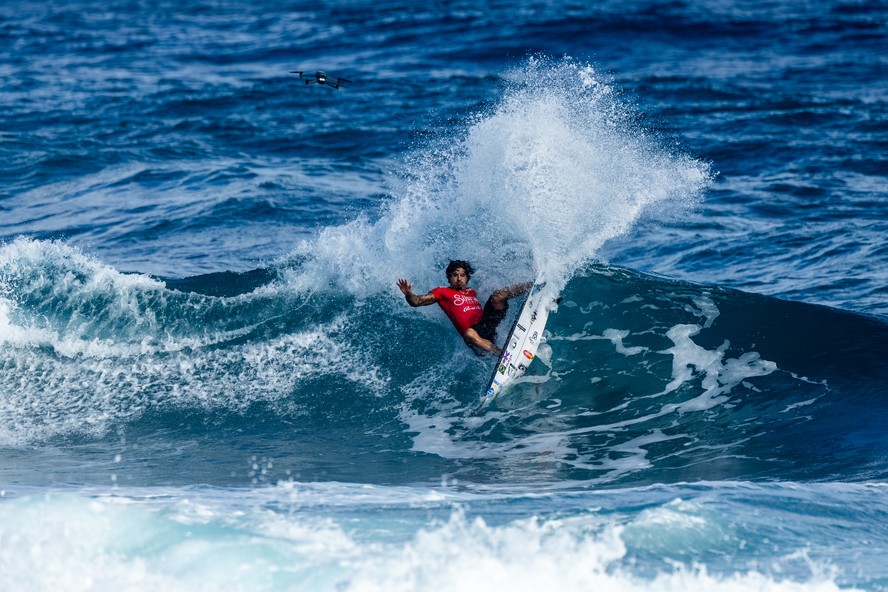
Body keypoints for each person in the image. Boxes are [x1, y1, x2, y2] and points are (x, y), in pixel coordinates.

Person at [397, 260, 531, 356]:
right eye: (455, 275)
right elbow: (418, 301)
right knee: (469, 333)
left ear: (467, 278)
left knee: (497, 296)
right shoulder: (442, 292)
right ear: (449, 278)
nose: (459, 278)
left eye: (462, 275)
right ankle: (502, 355)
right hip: (476, 339)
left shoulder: (472, 291)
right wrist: (409, 295)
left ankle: (532, 285)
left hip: (487, 324)